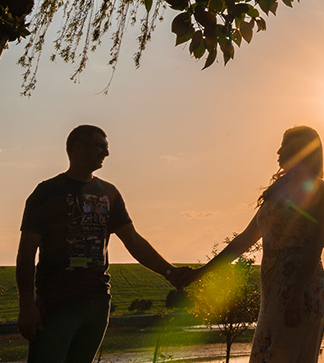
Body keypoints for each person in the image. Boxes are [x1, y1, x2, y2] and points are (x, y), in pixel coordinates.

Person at [15, 125, 193, 363]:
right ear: (78, 148)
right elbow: (26, 253)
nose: (106, 153)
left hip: (97, 303)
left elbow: (134, 241)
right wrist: (27, 305)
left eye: (106, 148)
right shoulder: (46, 193)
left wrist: (169, 271)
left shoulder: (109, 193)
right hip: (56, 303)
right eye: (100, 146)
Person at [189, 126, 324, 363]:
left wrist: (296, 295)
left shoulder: (316, 188)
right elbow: (244, 240)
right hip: (275, 293)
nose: (277, 151)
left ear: (301, 150)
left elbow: (317, 244)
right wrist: (201, 273)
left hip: (303, 292)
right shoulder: (278, 191)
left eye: (285, 145)